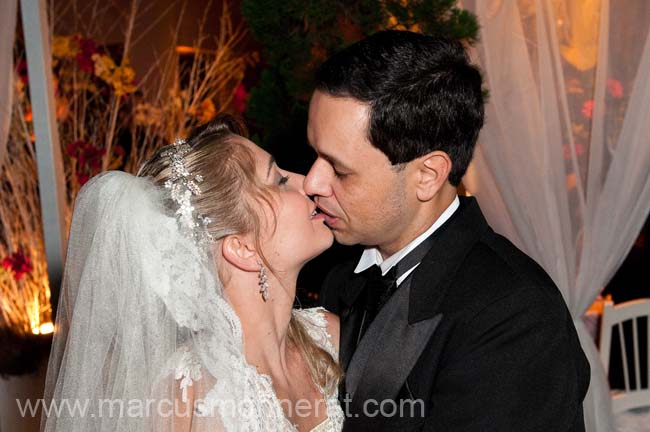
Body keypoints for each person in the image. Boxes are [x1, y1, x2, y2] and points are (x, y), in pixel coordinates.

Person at [306, 30, 591, 431]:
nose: (312, 182)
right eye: (314, 154)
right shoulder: (341, 277)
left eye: (339, 169)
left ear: (427, 175)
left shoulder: (514, 314)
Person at [41, 115, 344, 431]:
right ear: (243, 248)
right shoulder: (187, 400)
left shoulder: (333, 337)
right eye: (279, 180)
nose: (305, 181)